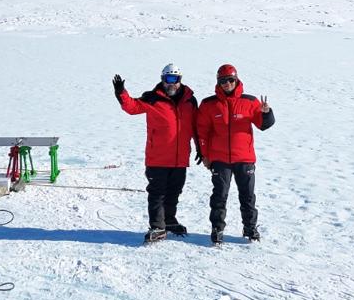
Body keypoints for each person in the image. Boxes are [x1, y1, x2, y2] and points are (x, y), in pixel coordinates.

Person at [113, 63, 199, 243]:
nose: (171, 84)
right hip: (157, 158)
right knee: (157, 194)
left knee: (174, 192)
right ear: (163, 80)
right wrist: (121, 93)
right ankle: (157, 226)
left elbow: (196, 127)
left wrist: (200, 147)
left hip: (180, 159)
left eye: (174, 79)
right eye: (168, 79)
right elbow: (132, 107)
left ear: (180, 80)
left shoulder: (190, 101)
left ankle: (169, 220)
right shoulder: (152, 98)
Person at [196, 63, 275, 245]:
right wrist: (206, 156)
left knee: (247, 196)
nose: (227, 84)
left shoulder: (250, 101)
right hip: (220, 159)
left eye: (231, 80)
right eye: (223, 81)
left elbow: (263, 125)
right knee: (219, 195)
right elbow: (202, 132)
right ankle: (217, 229)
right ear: (218, 82)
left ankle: (250, 228)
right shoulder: (209, 105)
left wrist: (267, 113)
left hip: (244, 158)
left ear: (237, 79)